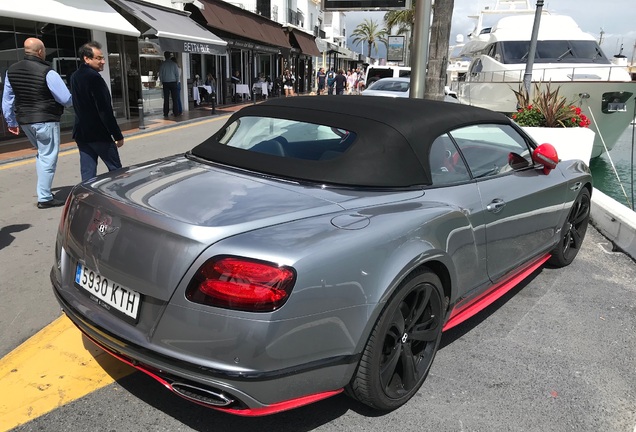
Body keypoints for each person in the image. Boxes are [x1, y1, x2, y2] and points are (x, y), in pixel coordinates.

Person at [2, 37, 72, 208]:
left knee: (42, 155)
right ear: (40, 52)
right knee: (48, 157)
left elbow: (7, 100)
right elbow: (65, 98)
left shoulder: (11, 71)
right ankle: (45, 197)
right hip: (45, 119)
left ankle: (44, 192)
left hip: (25, 121)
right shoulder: (48, 71)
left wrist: (11, 122)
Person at [70, 41, 124, 182]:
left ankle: (87, 197)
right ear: (86, 59)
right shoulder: (94, 78)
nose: (103, 61)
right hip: (99, 134)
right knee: (116, 171)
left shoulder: (75, 76)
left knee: (88, 173)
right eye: (99, 58)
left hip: (82, 133)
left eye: (103, 58)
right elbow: (104, 110)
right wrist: (117, 134)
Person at [158, 51, 180, 117]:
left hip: (165, 83)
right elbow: (177, 74)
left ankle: (165, 113)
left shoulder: (162, 64)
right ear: (170, 56)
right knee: (174, 99)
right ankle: (176, 112)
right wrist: (176, 81)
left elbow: (160, 74)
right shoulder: (174, 64)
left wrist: (162, 81)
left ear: (164, 56)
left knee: (166, 99)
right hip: (173, 82)